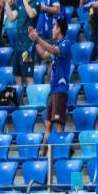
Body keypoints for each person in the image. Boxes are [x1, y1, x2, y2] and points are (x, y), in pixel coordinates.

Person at [28, 19, 71, 151]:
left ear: (59, 29)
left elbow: (52, 49)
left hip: (60, 89)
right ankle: (43, 152)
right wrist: (35, 40)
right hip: (53, 90)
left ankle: (61, 152)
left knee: (58, 124)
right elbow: (43, 54)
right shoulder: (57, 44)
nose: (52, 29)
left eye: (54, 27)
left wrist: (38, 38)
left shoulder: (65, 43)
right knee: (47, 123)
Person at [5, 0, 39, 85]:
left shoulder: (36, 3)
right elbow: (11, 17)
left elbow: (31, 14)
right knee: (17, 77)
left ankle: (33, 96)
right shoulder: (20, 5)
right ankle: (19, 97)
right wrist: (5, 2)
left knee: (28, 77)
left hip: (27, 46)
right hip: (18, 45)